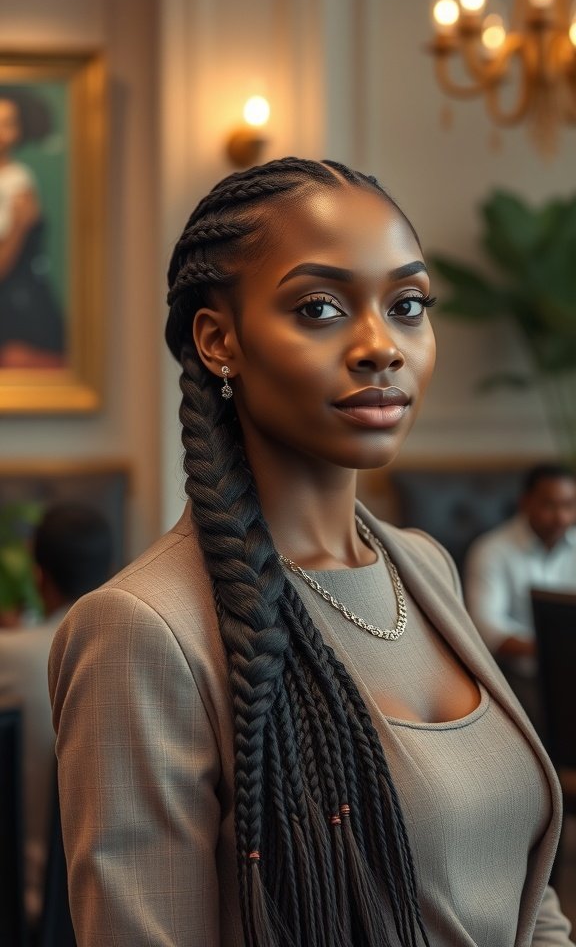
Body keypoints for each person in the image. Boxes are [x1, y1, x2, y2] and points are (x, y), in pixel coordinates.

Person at [49, 158, 573, 946]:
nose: (381, 347)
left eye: (407, 305)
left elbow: (525, 894)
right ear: (219, 341)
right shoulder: (143, 631)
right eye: (320, 307)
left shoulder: (424, 567)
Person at [0, 502, 113, 932]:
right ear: (110, 571)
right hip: (103, 917)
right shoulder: (133, 655)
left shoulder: (9, 655)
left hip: (19, 915)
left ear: (38, 575)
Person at [464, 462, 576, 728]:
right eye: (550, 506)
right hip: (521, 674)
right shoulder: (491, 550)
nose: (561, 517)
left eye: (569, 506)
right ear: (525, 503)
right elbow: (486, 625)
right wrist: (553, 650)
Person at [0, 85, 65, 368]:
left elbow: (5, 262)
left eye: (7, 124)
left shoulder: (18, 182)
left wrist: (18, 227)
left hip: (16, 311)